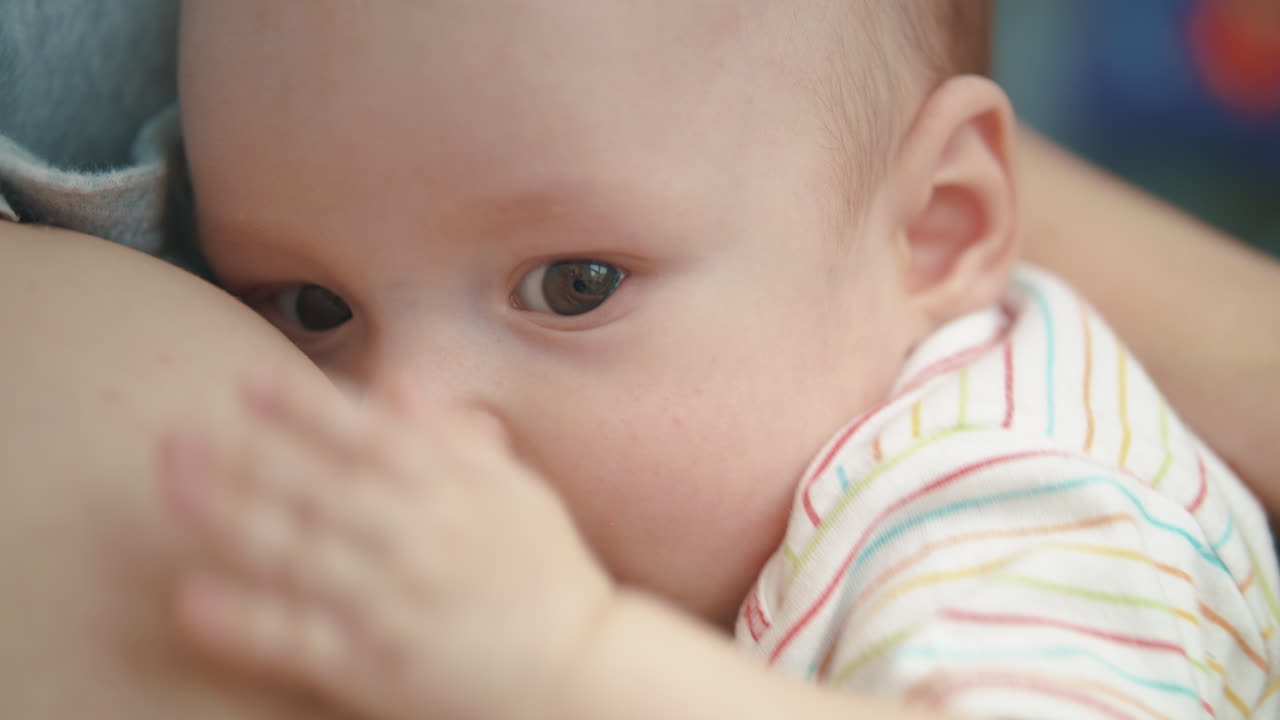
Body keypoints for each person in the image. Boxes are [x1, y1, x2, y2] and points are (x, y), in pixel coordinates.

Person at [1, 3, 1279, 720]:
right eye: (310, 307)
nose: (410, 418)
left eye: (575, 286)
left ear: (936, 226)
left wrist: (569, 660)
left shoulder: (1011, 500)